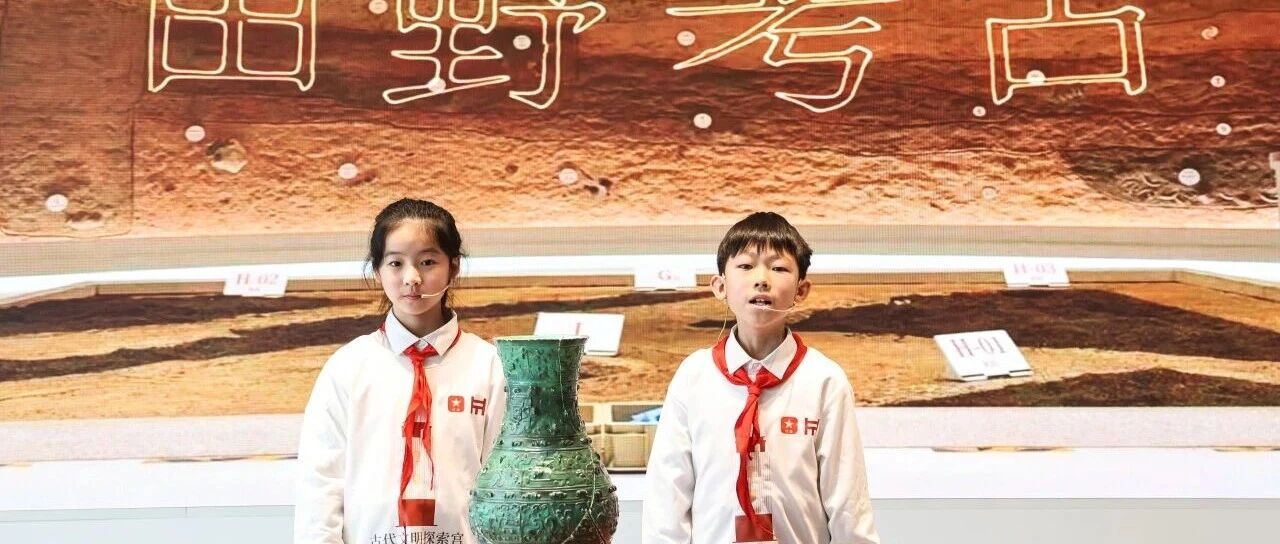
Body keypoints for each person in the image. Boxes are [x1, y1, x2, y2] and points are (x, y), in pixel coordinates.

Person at [643, 211, 879, 543]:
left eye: (779, 268)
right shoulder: (694, 377)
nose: (762, 279)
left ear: (801, 290)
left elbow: (848, 502)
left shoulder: (824, 381)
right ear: (720, 286)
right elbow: (667, 496)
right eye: (746, 265)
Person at [295, 198, 506, 544]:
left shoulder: (491, 367)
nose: (412, 278)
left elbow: (507, 483)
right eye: (396, 263)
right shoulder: (348, 367)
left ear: (453, 267)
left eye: (428, 262)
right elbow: (321, 483)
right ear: (377, 270)